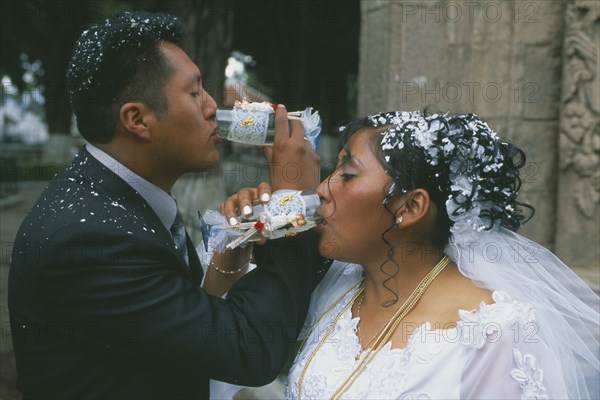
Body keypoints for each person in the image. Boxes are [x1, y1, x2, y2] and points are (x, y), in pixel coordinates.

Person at [8, 11, 329, 399]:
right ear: (137, 119)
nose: (213, 106)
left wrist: (239, 243)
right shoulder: (91, 241)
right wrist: (291, 209)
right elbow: (249, 348)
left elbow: (179, 319)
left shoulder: (114, 194)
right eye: (195, 93)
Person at [222, 110, 599, 399]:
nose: (322, 188)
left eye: (348, 175)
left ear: (410, 207)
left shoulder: (493, 332)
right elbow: (226, 352)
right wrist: (234, 243)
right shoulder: (335, 286)